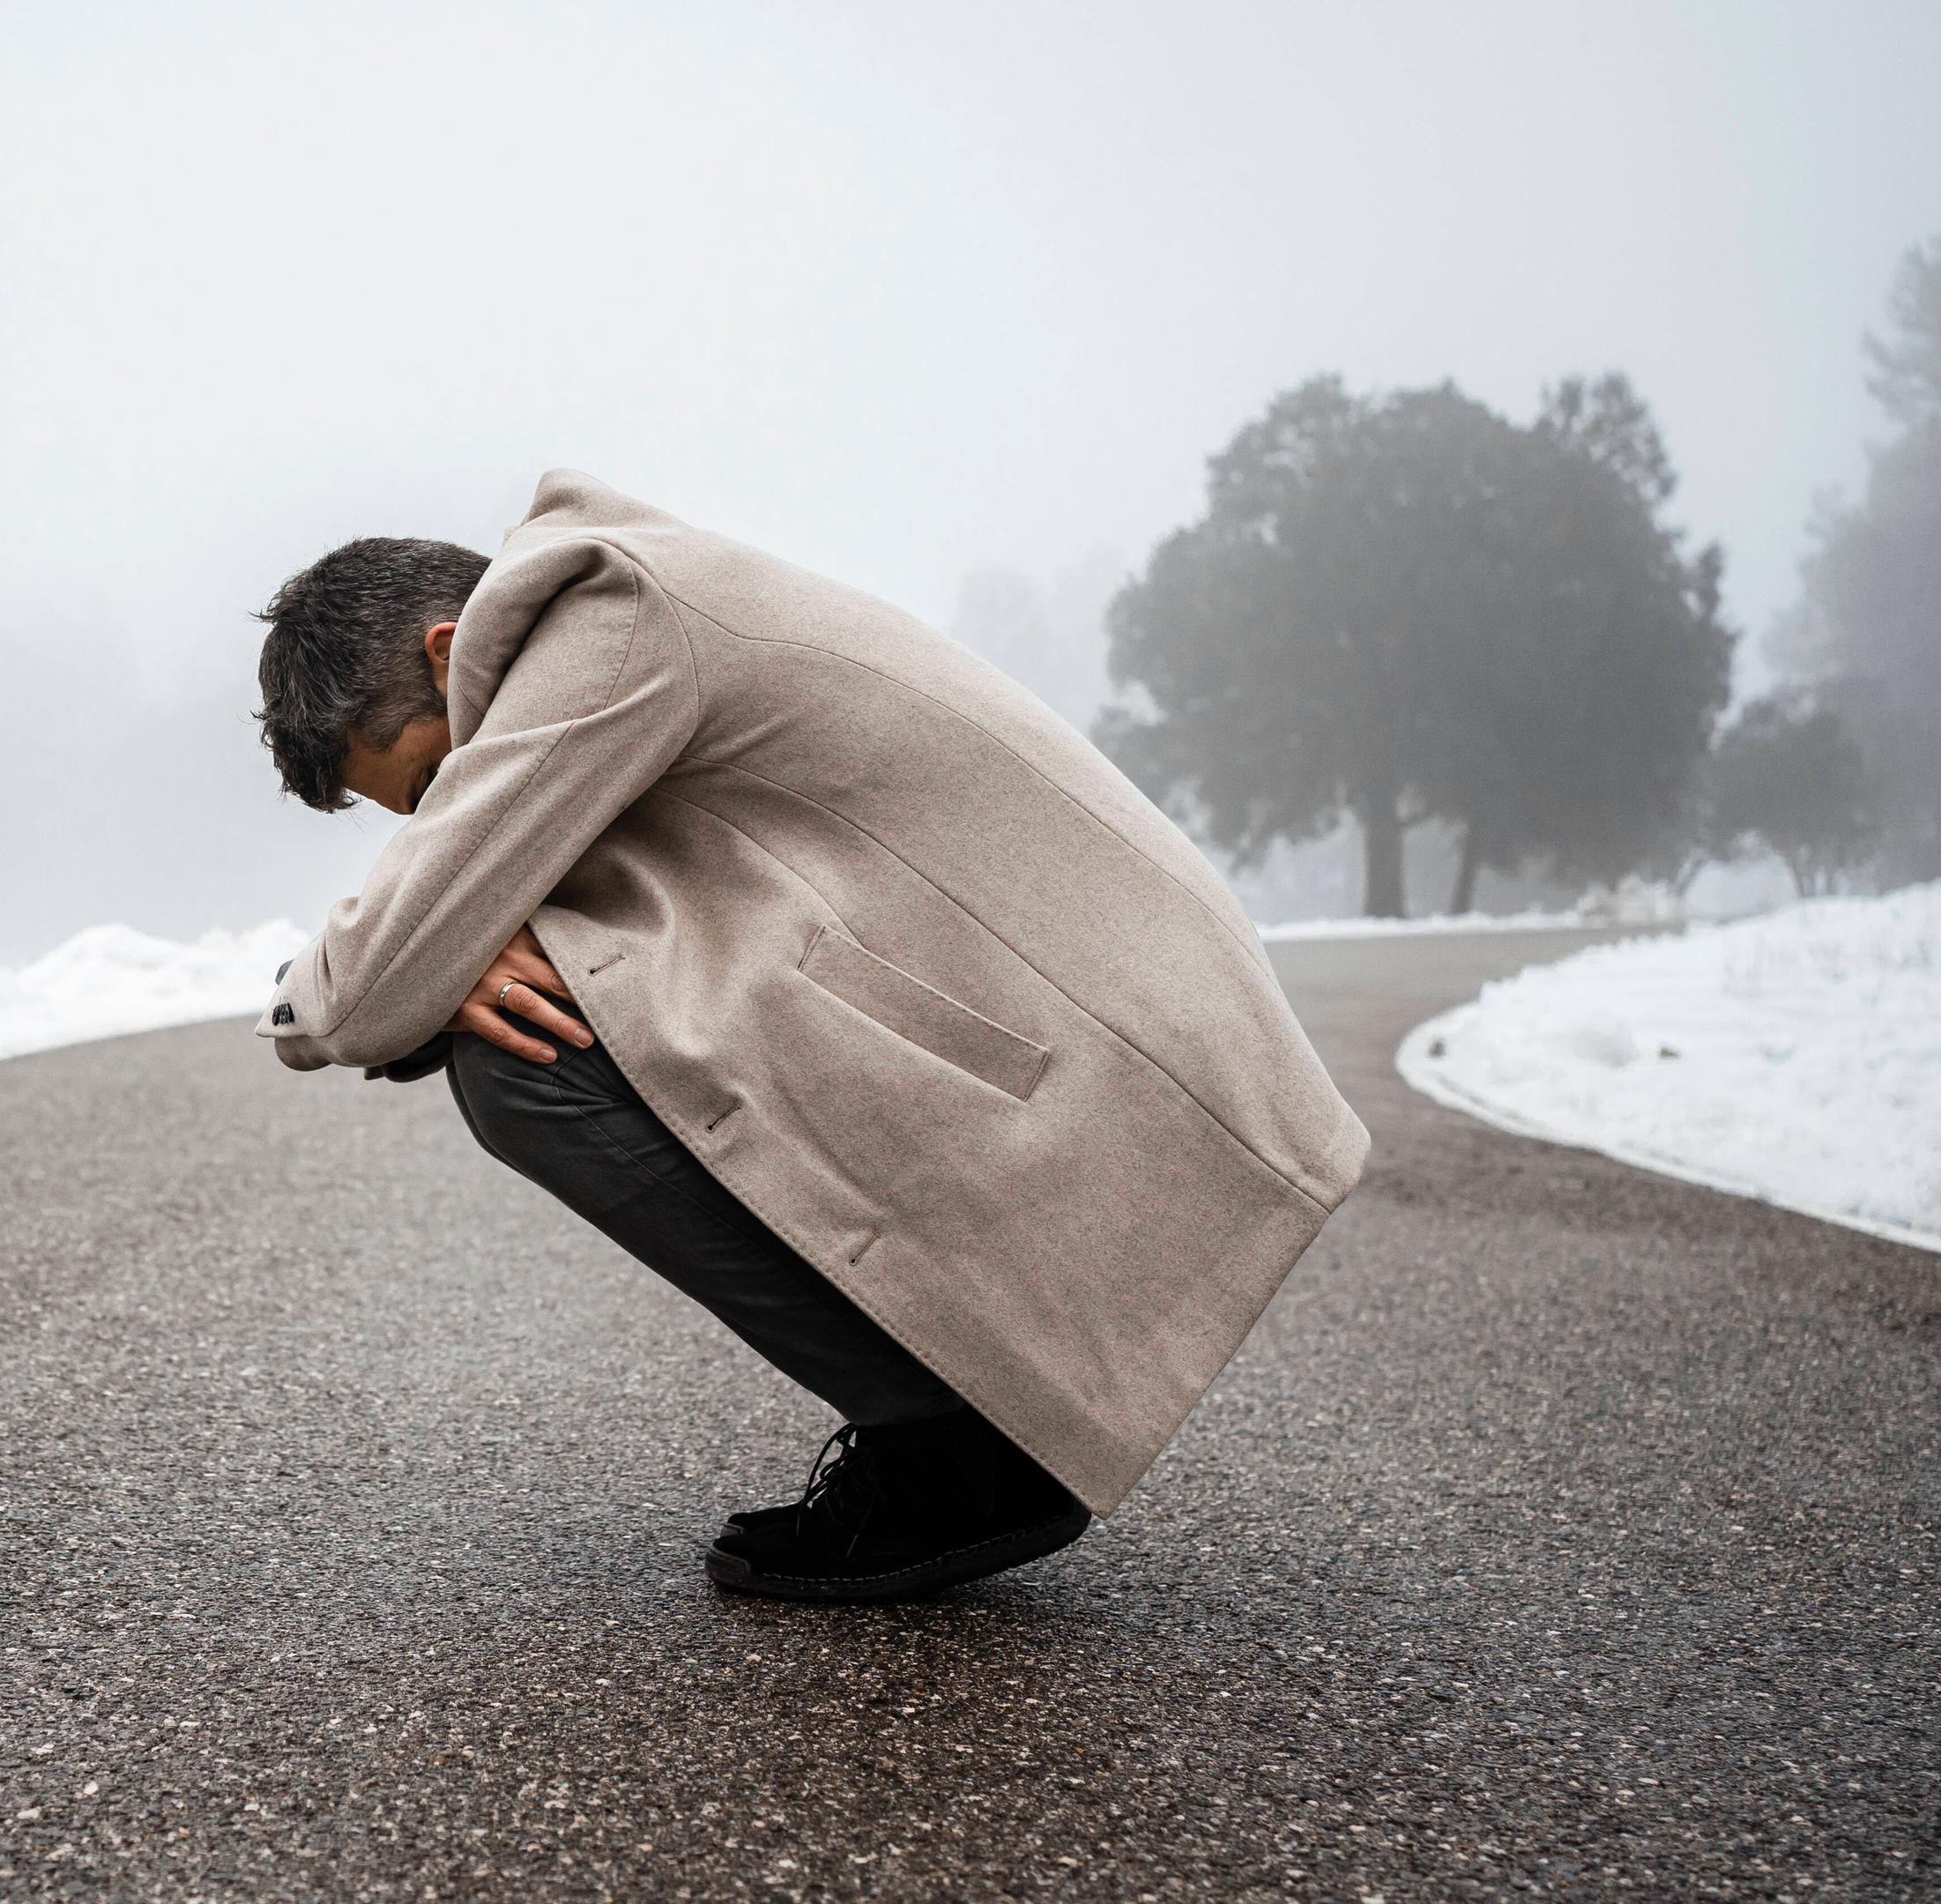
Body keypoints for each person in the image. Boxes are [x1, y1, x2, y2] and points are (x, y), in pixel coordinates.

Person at [250, 471, 1369, 1603]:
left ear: (450, 651)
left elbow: (374, 984)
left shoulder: (610, 616)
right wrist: (444, 954)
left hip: (1127, 1037)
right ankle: (963, 1416)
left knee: (518, 1067)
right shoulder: (617, 608)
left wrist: (359, 978)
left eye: (439, 783)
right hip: (1058, 1008)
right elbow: (429, 949)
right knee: (550, 987)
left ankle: (960, 1444)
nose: (450, 819)